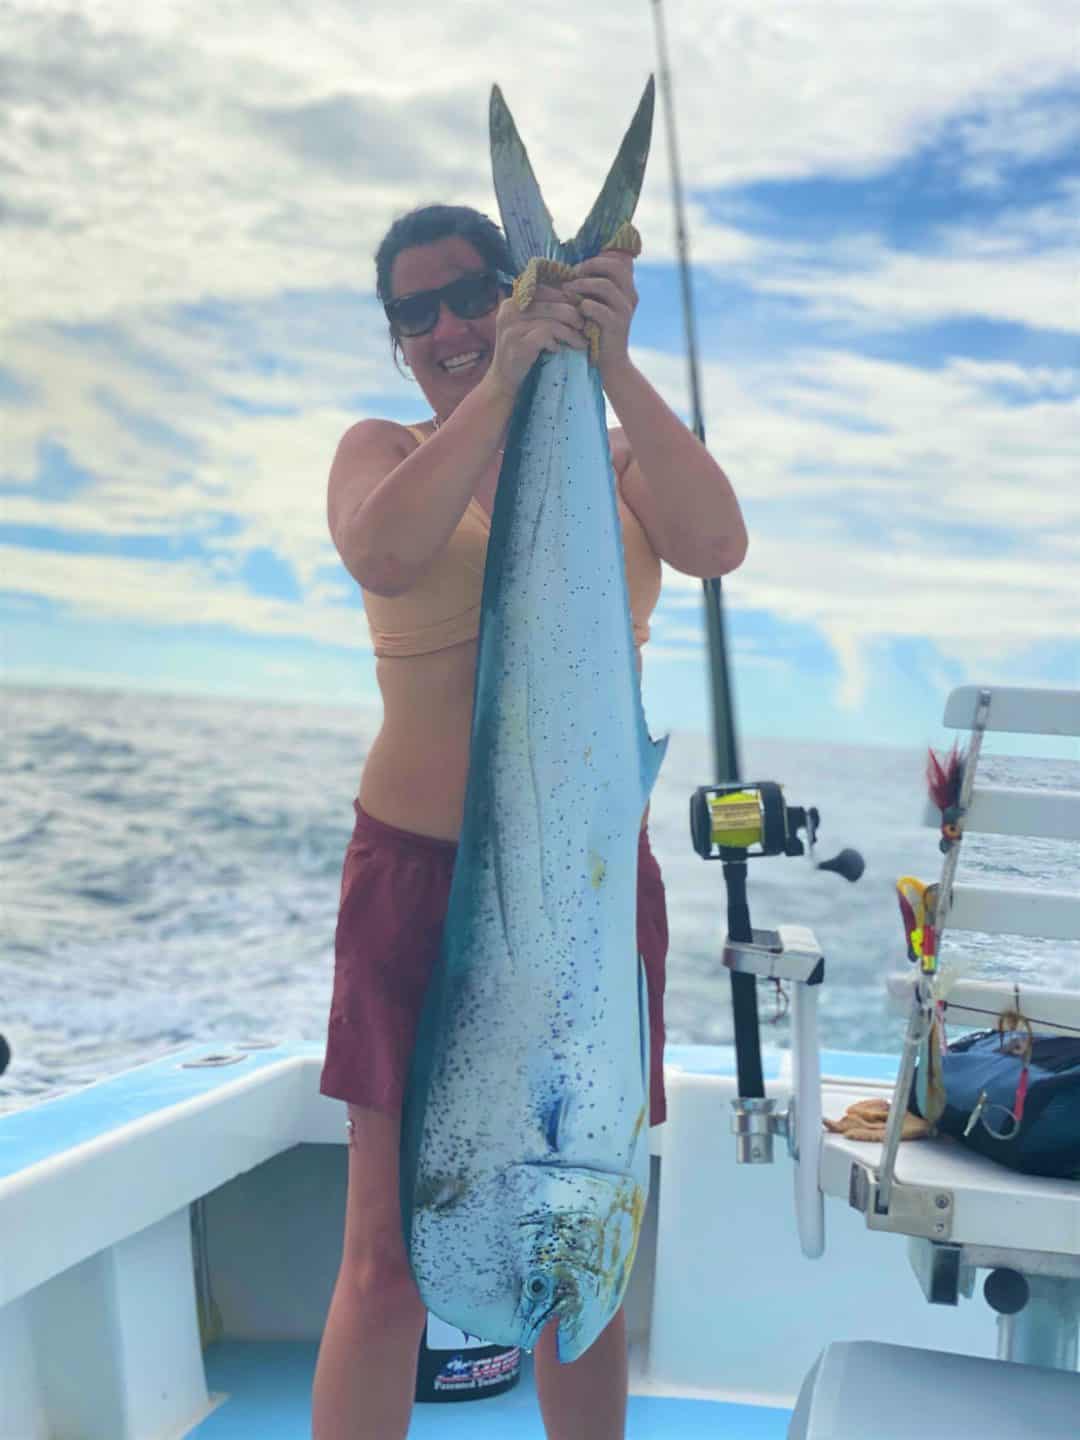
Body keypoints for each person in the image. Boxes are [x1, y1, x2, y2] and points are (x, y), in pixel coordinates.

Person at [311, 203, 747, 1440]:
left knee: (582, 1227)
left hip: (590, 890)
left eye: (472, 295)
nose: (446, 323)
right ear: (397, 336)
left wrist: (603, 358)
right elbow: (381, 553)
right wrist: (506, 379)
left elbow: (717, 542)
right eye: (416, 309)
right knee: (383, 1251)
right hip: (416, 889)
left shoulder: (612, 457)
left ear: (514, 289)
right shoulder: (381, 447)